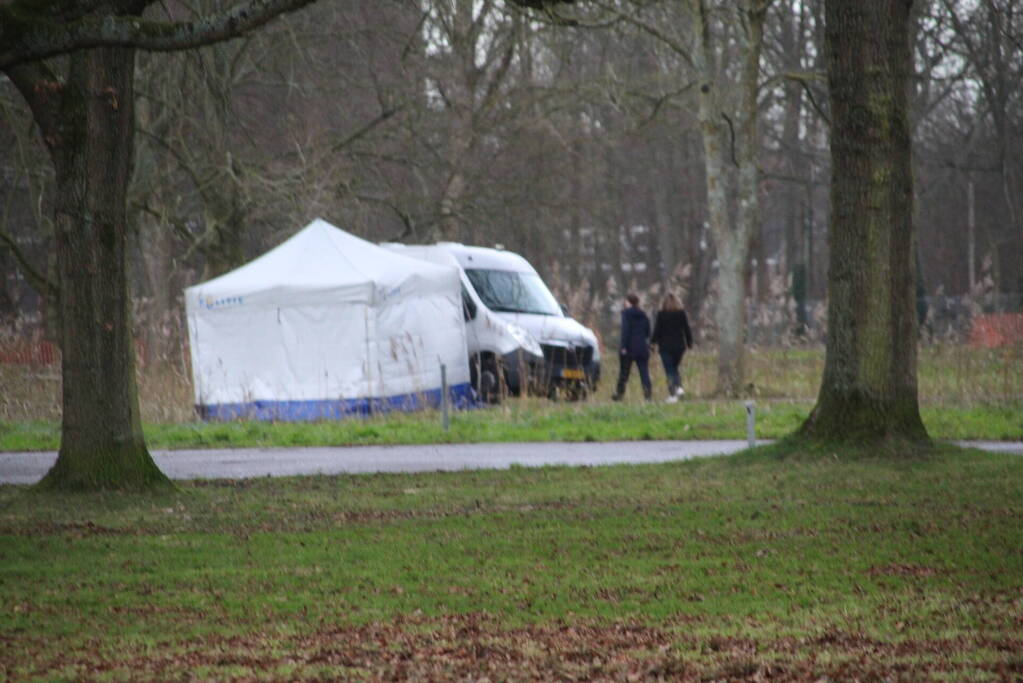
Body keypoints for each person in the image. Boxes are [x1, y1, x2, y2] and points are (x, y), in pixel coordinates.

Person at [650, 291, 694, 403]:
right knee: (674, 369)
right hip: (679, 346)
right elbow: (686, 329)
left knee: (669, 370)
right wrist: (689, 343)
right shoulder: (681, 314)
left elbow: (657, 330)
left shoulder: (661, 315)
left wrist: (652, 343)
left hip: (665, 346)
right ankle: (678, 387)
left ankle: (673, 393)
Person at [611, 293, 652, 401]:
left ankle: (619, 394)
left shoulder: (626, 314)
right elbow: (648, 332)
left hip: (629, 348)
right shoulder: (643, 314)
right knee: (644, 372)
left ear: (628, 302)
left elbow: (626, 330)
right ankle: (647, 395)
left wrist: (623, 346)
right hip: (642, 347)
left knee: (624, 372)